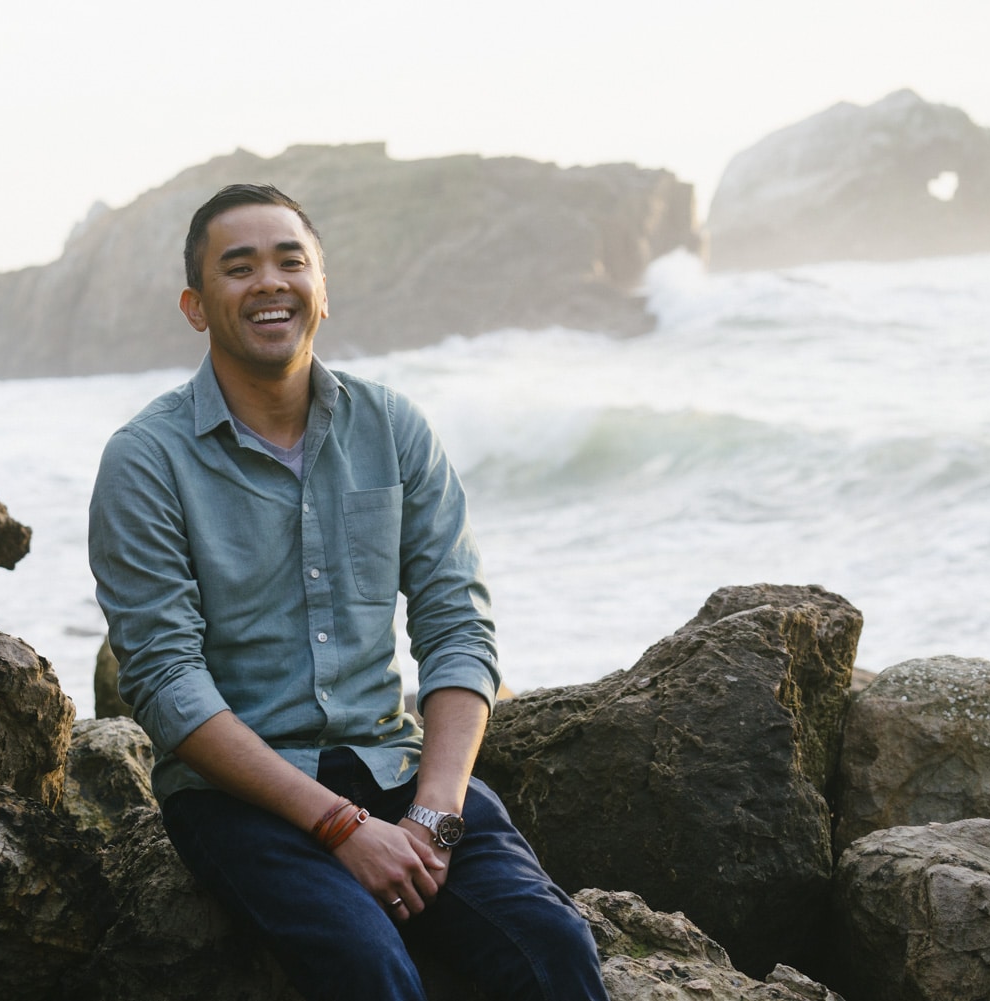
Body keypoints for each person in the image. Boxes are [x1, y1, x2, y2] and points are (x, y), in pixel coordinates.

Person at [88, 183, 607, 1000]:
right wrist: (338, 825)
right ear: (195, 305)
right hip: (242, 796)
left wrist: (434, 814)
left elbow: (457, 625)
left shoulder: (393, 427)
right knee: (371, 970)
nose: (269, 282)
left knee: (553, 947)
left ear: (322, 290)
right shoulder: (146, 460)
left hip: (398, 768)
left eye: (291, 261)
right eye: (239, 267)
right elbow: (164, 681)